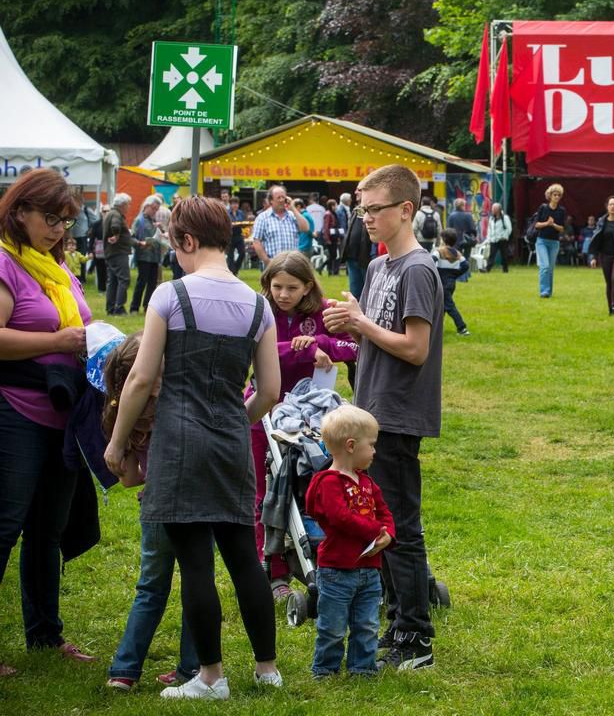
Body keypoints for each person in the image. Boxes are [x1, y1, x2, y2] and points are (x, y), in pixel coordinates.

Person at [103, 196, 282, 700]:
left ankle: (210, 678)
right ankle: (268, 669)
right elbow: (269, 391)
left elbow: (140, 379)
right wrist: (231, 421)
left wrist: (118, 443)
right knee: (245, 559)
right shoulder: (258, 304)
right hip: (230, 444)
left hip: (179, 446)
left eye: (174, 245)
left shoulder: (168, 296)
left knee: (196, 565)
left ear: (186, 240)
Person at [322, 164, 443, 671]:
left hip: (397, 415)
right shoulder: (377, 268)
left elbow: (415, 349)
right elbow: (373, 338)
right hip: (370, 410)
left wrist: (362, 323)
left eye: (373, 209)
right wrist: (343, 332)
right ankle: (397, 623)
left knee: (400, 530)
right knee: (379, 525)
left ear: (405, 210)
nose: (364, 217)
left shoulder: (417, 268)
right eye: (361, 208)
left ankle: (416, 639)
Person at [0, 169, 95, 675]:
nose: (59, 229)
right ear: (19, 213)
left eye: (66, 221)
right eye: (50, 219)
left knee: (47, 531)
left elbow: (76, 323)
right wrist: (57, 343)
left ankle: (44, 634)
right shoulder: (5, 263)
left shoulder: (54, 266)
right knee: (4, 525)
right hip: (14, 410)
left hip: (64, 414)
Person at [252, 251, 359, 597]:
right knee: (262, 491)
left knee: (317, 485)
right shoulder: (259, 310)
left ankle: (325, 556)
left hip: (311, 417)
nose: (282, 295)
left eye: (291, 288)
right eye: (276, 286)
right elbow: (251, 349)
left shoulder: (324, 310)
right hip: (264, 410)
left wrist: (318, 343)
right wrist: (296, 350)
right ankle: (273, 570)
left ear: (307, 286)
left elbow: (353, 345)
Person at [103, 333, 200, 693]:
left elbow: (129, 479)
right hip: (197, 505)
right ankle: (192, 670)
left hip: (157, 507)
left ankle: (124, 670)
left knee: (150, 589)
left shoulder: (125, 415)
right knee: (197, 585)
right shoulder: (185, 404)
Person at [306, 405, 395, 677]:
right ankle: (325, 669)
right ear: (351, 445)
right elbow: (340, 517)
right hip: (337, 570)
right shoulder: (328, 482)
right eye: (372, 445)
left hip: (369, 569)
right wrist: (374, 530)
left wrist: (388, 533)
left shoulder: (367, 482)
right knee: (332, 626)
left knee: (367, 624)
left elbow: (384, 511)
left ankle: (362, 668)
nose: (375, 451)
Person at [250, 186, 310, 264]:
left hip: (292, 264)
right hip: (273, 264)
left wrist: (293, 208)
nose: (281, 200)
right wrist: (266, 261)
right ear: (271, 200)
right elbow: (256, 242)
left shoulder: (292, 215)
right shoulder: (262, 218)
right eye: (278, 198)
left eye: (283, 197)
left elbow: (306, 228)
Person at [129, 195, 164, 314]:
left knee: (152, 283)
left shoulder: (153, 221)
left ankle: (147, 307)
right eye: (153, 208)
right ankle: (134, 307)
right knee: (141, 282)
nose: (155, 211)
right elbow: (131, 238)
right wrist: (140, 243)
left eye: (156, 209)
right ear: (147, 206)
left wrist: (160, 229)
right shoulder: (139, 220)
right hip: (144, 256)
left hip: (155, 256)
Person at [434, 229, 471, 336]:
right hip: (451, 283)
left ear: (444, 240)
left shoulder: (439, 251)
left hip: (442, 283)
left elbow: (432, 260)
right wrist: (455, 274)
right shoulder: (457, 253)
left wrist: (435, 273)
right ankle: (437, 328)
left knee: (449, 306)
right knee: (443, 305)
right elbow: (465, 265)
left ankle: (462, 328)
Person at [534, 184, 566, 298]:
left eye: (559, 195)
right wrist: (547, 223)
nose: (557, 197)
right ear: (550, 196)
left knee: (550, 268)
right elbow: (536, 225)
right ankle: (544, 291)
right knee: (545, 266)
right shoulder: (543, 208)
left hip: (554, 242)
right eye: (555, 195)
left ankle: (549, 291)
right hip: (542, 240)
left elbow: (562, 228)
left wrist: (553, 225)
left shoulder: (561, 211)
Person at [103, 192, 133, 315]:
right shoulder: (116, 214)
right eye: (128, 204)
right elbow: (115, 225)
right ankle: (119, 308)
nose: (129, 207)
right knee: (123, 279)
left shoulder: (110, 213)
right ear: (122, 204)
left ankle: (110, 308)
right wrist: (116, 235)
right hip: (118, 251)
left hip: (111, 252)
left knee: (113, 280)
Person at [342, 192, 375, 300]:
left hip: (365, 258)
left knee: (368, 292)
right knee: (355, 292)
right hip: (352, 257)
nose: (355, 192)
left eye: (359, 190)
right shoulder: (356, 210)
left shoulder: (374, 210)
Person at [446, 199, 478, 275]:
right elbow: (473, 229)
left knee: (456, 258)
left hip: (454, 240)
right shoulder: (468, 216)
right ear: (462, 206)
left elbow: (448, 229)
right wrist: (473, 236)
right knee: (466, 258)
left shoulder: (451, 216)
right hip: (467, 240)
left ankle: (457, 274)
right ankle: (466, 274)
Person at [483, 204, 511, 273]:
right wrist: (488, 238)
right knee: (491, 255)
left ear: (497, 210)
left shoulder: (505, 218)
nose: (492, 210)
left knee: (504, 255)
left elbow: (509, 228)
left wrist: (504, 236)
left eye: (493, 209)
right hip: (493, 239)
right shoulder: (491, 218)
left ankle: (505, 269)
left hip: (502, 239)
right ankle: (487, 269)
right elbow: (489, 229)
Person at [322, 200, 341, 276]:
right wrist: (327, 239)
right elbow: (326, 227)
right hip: (330, 238)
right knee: (332, 255)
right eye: (335, 205)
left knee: (333, 255)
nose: (336, 206)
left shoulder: (334, 213)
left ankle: (324, 268)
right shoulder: (328, 214)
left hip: (334, 237)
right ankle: (329, 270)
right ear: (332, 206)